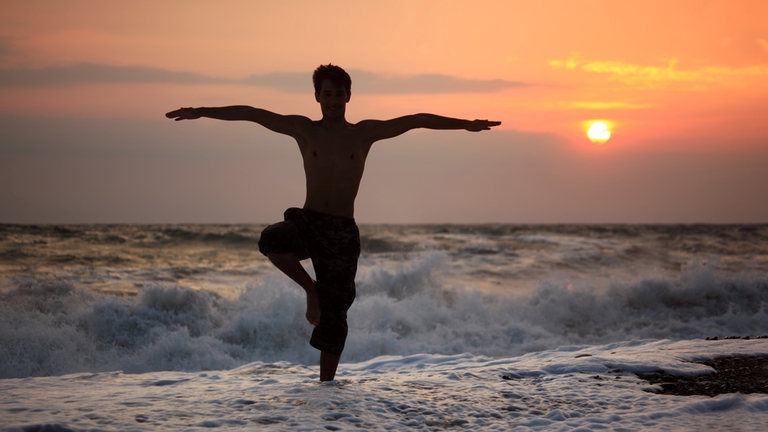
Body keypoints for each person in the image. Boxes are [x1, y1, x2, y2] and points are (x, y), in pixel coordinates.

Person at [166, 64, 500, 381]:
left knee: (335, 318)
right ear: (317, 97)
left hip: (341, 231)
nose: (333, 101)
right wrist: (202, 111)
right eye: (327, 94)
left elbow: (417, 119)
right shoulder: (303, 129)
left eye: (339, 94)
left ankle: (327, 390)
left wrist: (465, 123)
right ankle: (312, 290)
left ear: (348, 97)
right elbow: (252, 113)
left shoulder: (364, 133)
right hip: (308, 221)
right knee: (273, 240)